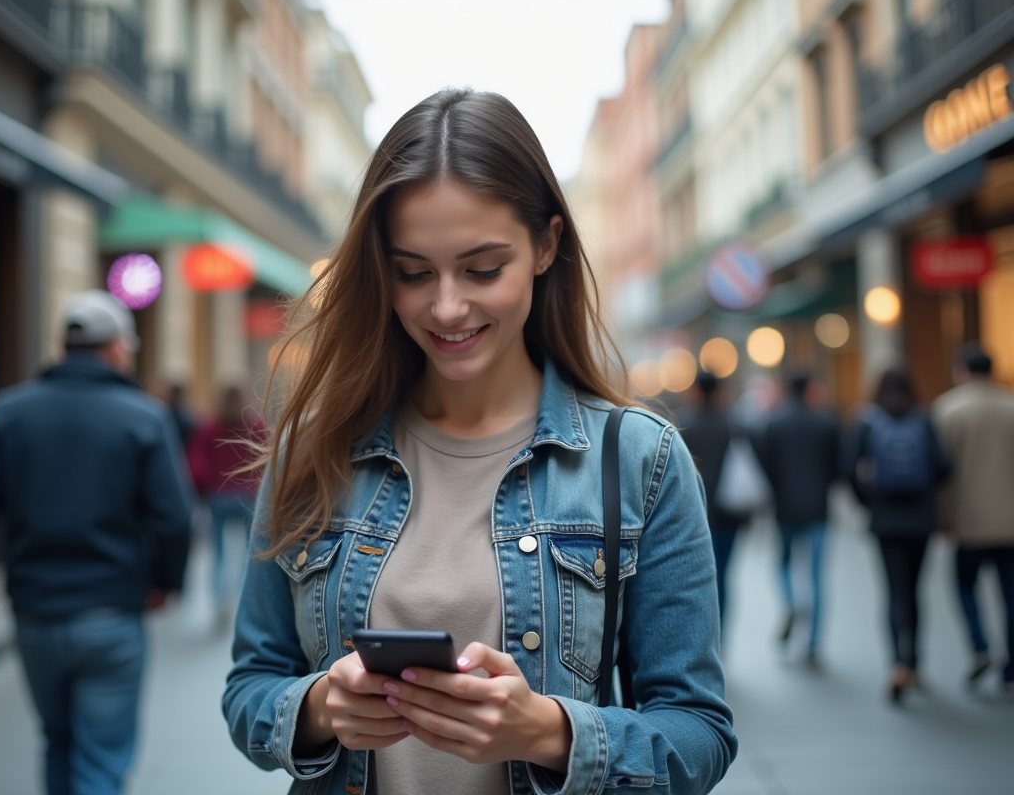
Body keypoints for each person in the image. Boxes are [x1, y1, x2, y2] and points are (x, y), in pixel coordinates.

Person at [222, 89, 735, 795]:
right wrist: (317, 708)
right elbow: (250, 687)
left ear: (547, 244)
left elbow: (700, 734)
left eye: (483, 268)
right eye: (413, 273)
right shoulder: (312, 453)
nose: (447, 306)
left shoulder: (641, 461)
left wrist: (549, 732)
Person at [0, 290, 193, 795]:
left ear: (63, 348)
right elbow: (176, 517)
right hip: (112, 614)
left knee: (58, 744)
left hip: (36, 616)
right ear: (118, 349)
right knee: (99, 764)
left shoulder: (10, 412)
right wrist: (166, 582)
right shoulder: (144, 417)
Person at [844, 369, 951, 703]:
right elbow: (945, 466)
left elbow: (847, 468)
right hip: (920, 518)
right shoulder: (923, 418)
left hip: (885, 519)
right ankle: (915, 664)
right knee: (916, 590)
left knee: (894, 591)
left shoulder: (868, 421)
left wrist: (868, 499)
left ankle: (896, 665)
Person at [932, 343, 1014, 694]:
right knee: (1011, 595)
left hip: (968, 519)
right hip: (1010, 521)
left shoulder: (947, 409)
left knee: (965, 586)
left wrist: (944, 517)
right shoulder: (1011, 406)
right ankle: (1011, 668)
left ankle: (980, 646)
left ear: (962, 371)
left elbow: (941, 473)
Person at [757, 371, 840, 665]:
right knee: (817, 575)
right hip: (818, 507)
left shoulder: (774, 424)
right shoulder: (826, 421)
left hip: (785, 507)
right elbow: (837, 467)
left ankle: (792, 601)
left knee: (783, 563)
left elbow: (765, 465)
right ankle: (814, 643)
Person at [676, 372, 752, 631]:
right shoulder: (732, 423)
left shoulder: (684, 424)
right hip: (729, 512)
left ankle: (702, 636)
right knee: (723, 575)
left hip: (694, 514)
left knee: (696, 580)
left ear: (696, 390)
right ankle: (720, 639)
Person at [186, 384, 267, 622]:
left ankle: (222, 600)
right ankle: (244, 603)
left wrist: (203, 489)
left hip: (218, 495)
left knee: (219, 553)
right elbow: (267, 458)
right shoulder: (256, 425)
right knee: (248, 553)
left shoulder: (210, 427)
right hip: (248, 495)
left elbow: (196, 463)